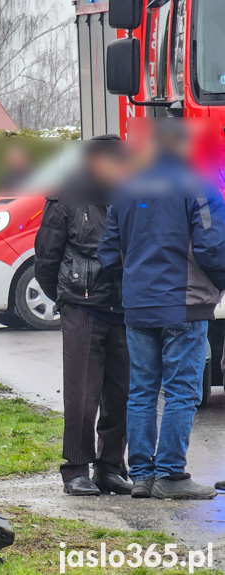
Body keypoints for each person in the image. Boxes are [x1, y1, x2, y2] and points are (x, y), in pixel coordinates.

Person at [98, 120, 225, 500]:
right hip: (184, 306)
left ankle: (141, 475)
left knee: (142, 390)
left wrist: (136, 285)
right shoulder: (197, 186)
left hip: (138, 306)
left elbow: (108, 252)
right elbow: (213, 246)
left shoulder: (126, 187)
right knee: (181, 391)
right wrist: (218, 285)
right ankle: (171, 474)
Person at [34, 136, 132, 496]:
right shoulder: (66, 196)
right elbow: (46, 257)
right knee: (81, 394)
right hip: (82, 306)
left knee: (120, 391)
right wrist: (67, 298)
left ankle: (111, 466)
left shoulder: (129, 194)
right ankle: (76, 468)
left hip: (123, 305)